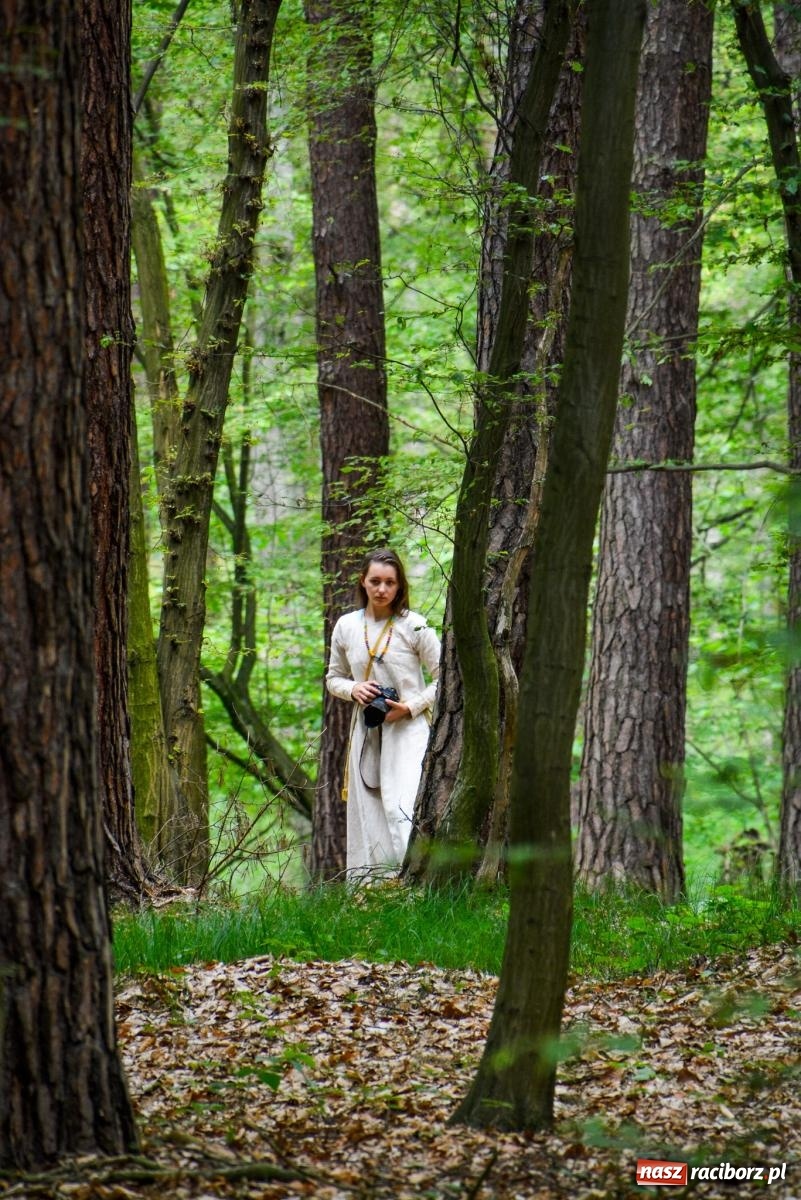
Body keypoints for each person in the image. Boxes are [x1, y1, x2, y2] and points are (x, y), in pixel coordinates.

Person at [326, 548, 441, 879]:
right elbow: (333, 678)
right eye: (375, 581)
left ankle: (413, 888)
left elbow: (446, 675)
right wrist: (353, 690)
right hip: (366, 732)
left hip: (409, 732)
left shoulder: (415, 625)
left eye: (389, 582)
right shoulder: (347, 626)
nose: (381, 589)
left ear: (399, 585)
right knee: (369, 815)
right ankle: (371, 893)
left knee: (401, 808)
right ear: (363, 581)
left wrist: (410, 706)